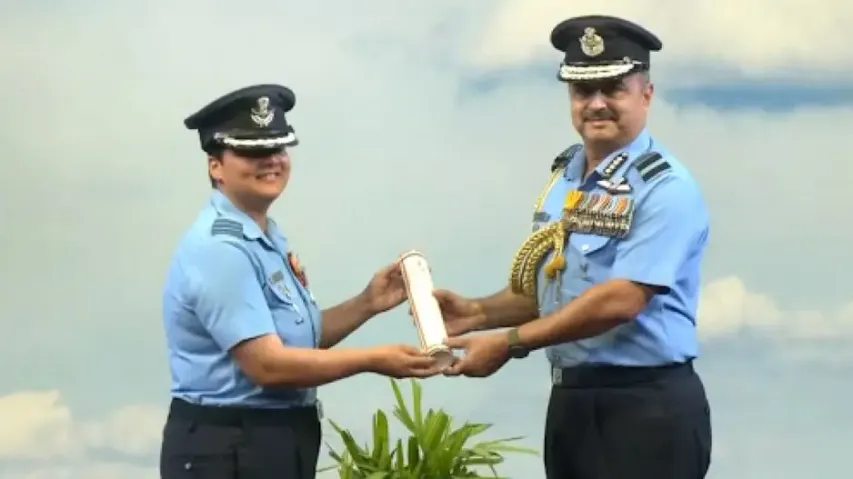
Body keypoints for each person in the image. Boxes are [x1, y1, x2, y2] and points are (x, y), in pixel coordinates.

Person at [436, 15, 712, 479]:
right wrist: (477, 313)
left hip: (645, 406)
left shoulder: (665, 187)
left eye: (613, 88)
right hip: (572, 402)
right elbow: (557, 289)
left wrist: (509, 343)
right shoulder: (566, 176)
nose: (597, 103)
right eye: (583, 90)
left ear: (646, 94)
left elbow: (621, 300)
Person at [158, 83, 441, 479]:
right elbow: (268, 365)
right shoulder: (220, 248)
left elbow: (294, 341)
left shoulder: (263, 236)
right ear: (215, 165)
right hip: (228, 443)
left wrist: (367, 303)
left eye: (279, 148)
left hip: (269, 438)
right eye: (252, 151)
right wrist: (374, 359)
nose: (271, 161)